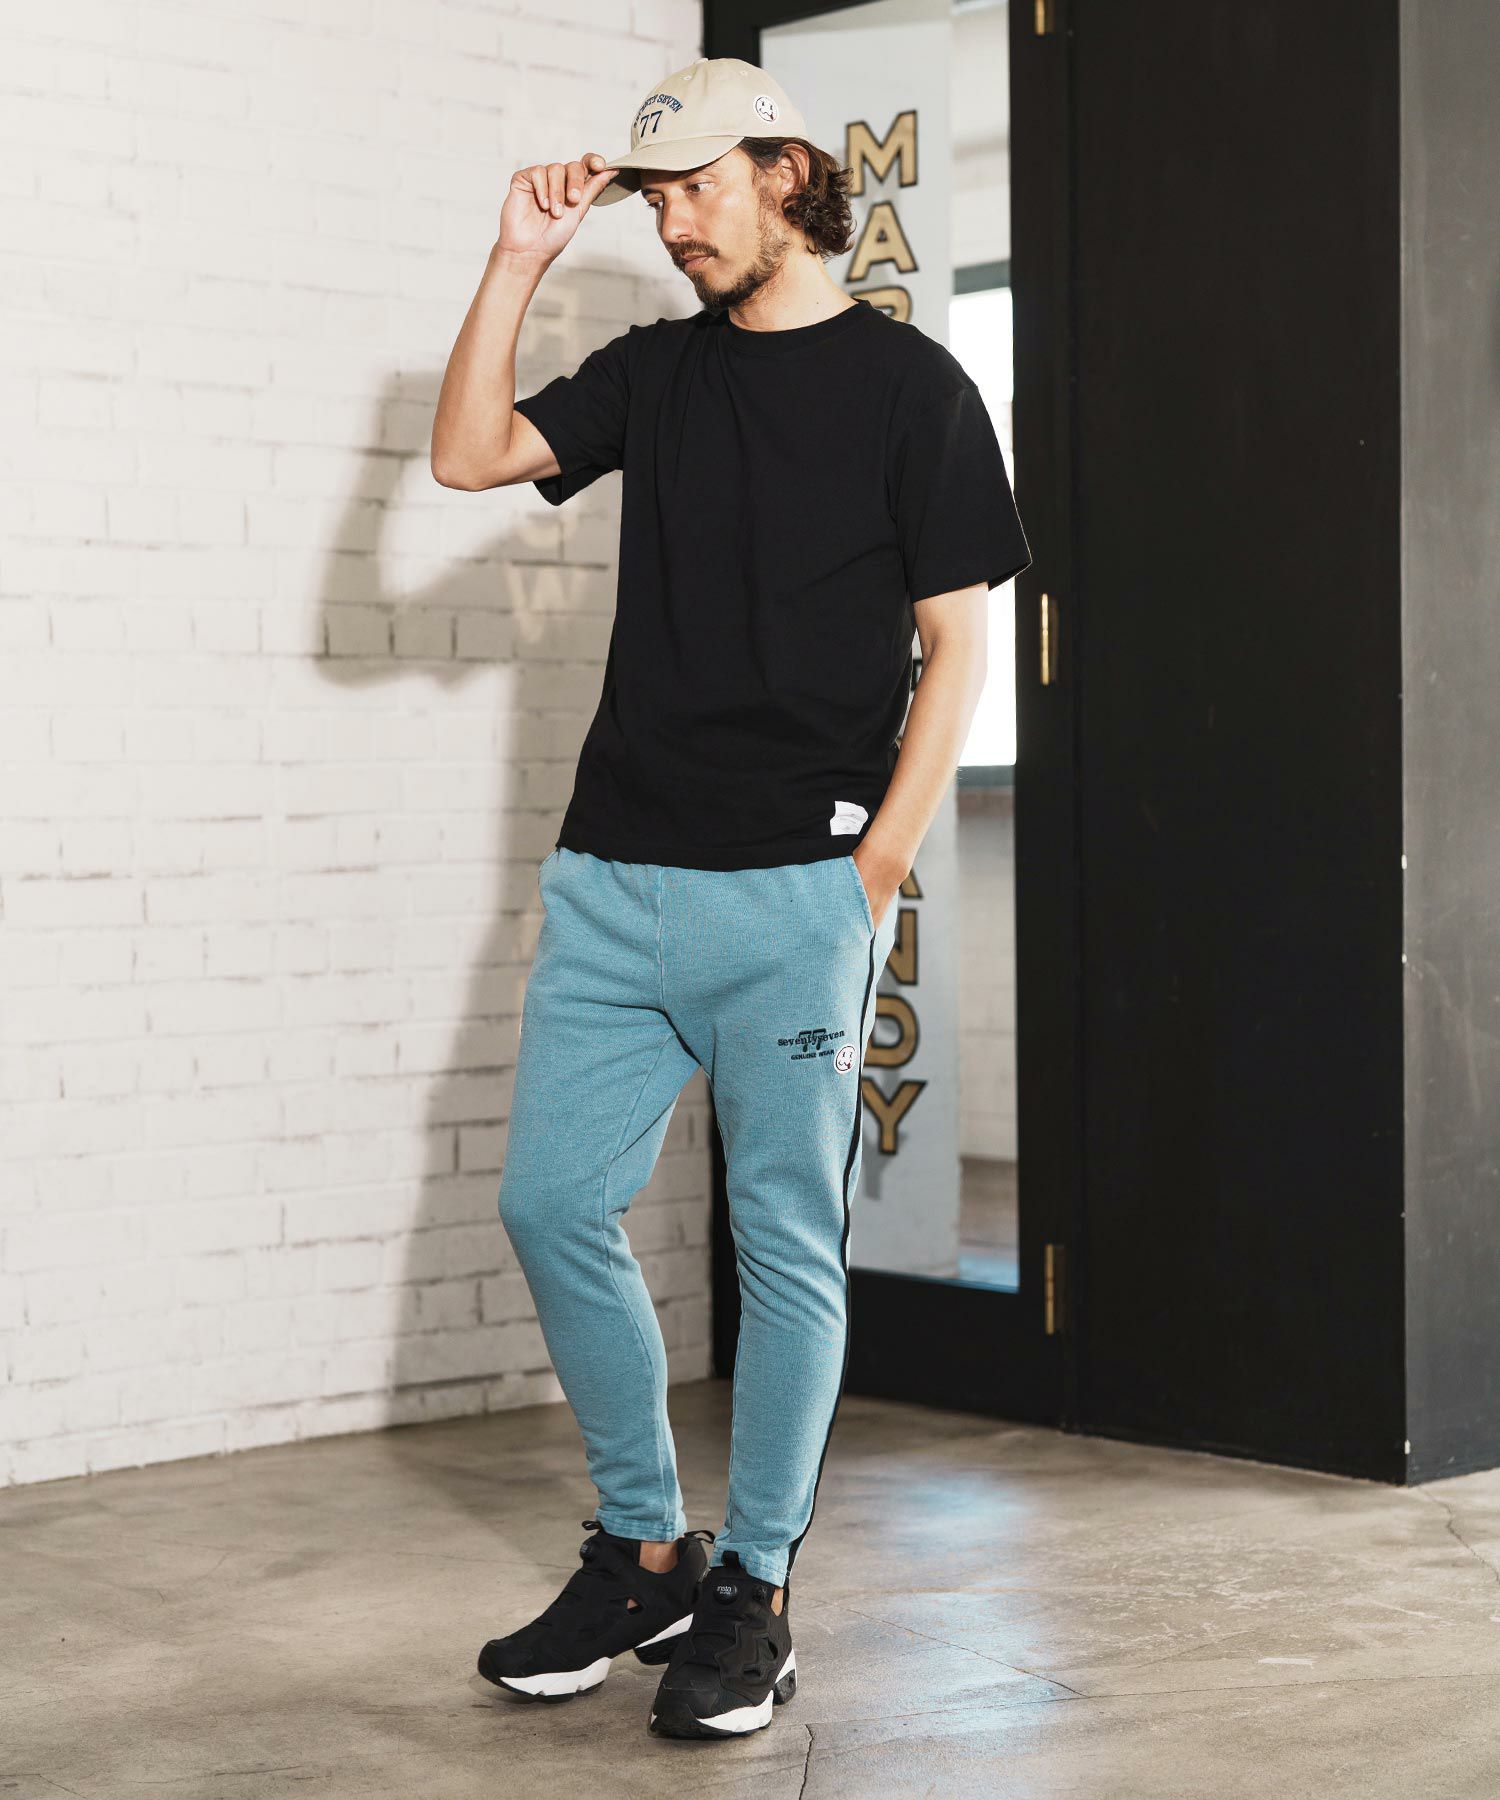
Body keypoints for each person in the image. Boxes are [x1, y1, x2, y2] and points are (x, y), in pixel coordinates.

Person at [431, 55, 1031, 1741]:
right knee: (551, 1204)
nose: (676, 224)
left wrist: (874, 872)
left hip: (792, 895)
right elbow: (469, 455)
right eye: (658, 197)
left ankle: (753, 1590)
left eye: (699, 188)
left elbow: (957, 646)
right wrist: (517, 260)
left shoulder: (915, 391)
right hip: (612, 880)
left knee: (781, 1246)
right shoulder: (660, 373)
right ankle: (645, 1549)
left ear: (783, 174)